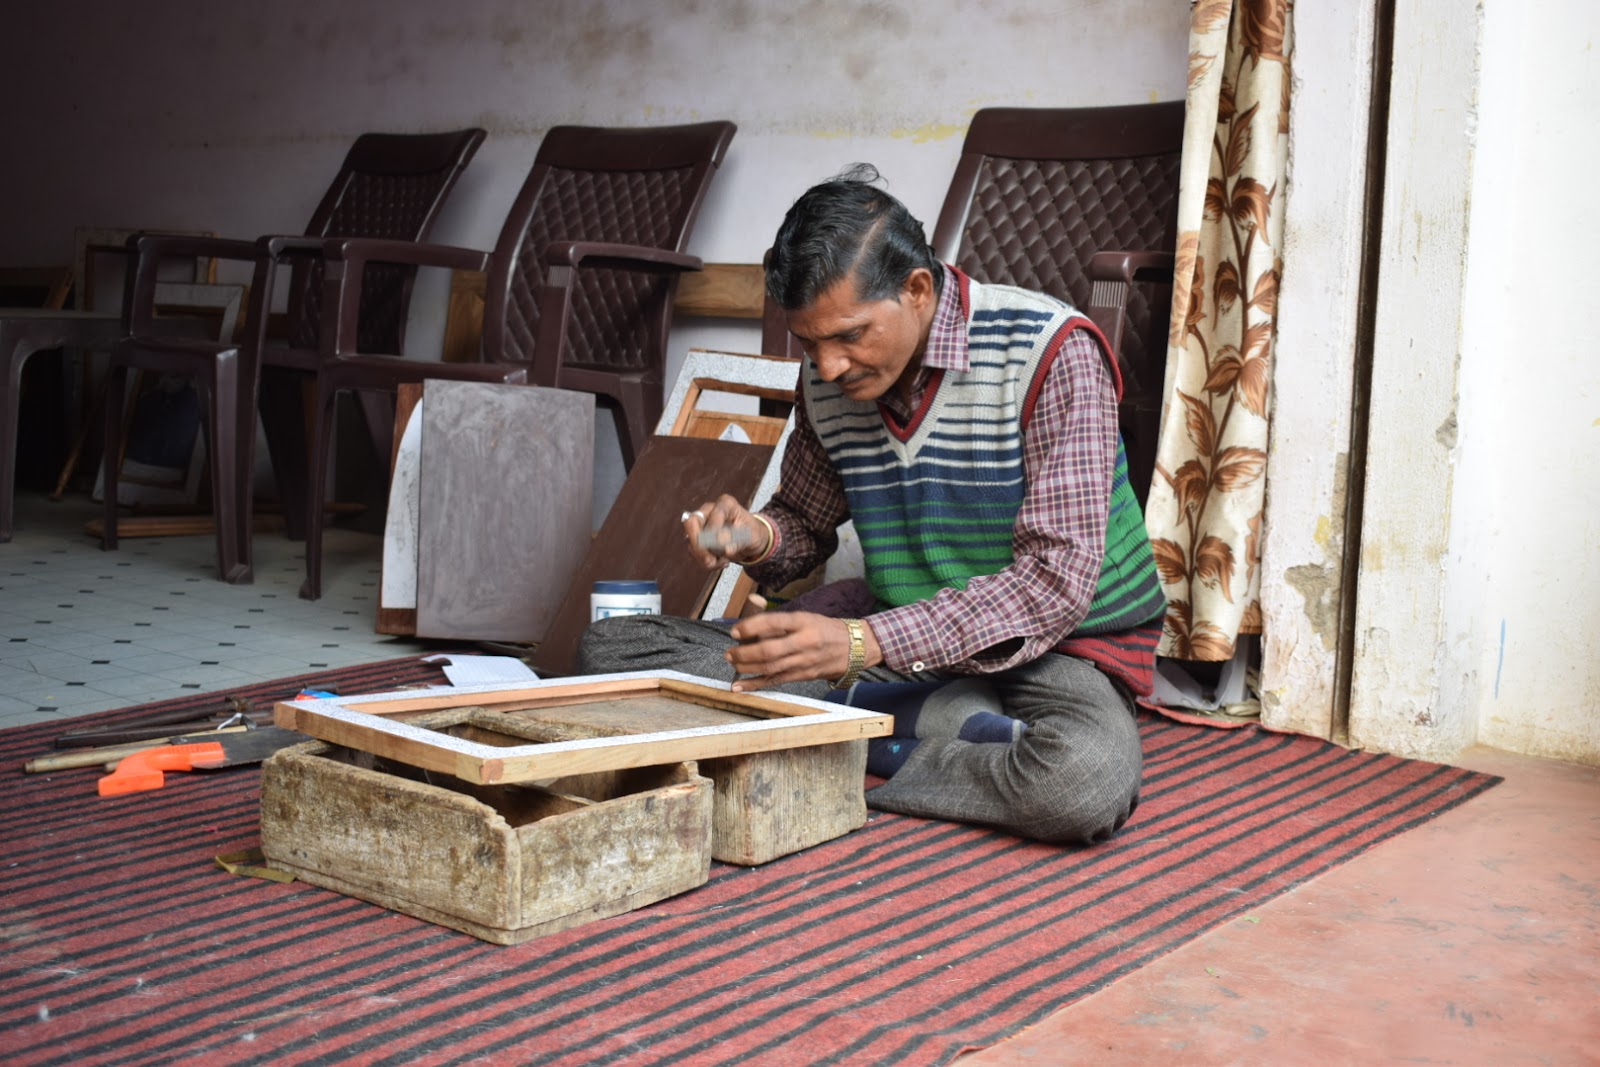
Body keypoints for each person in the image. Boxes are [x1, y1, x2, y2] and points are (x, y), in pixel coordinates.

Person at [577, 165, 1165, 845]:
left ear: (918, 289)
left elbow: (1051, 586)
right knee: (612, 649)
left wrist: (861, 642)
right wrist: (756, 538)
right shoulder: (830, 381)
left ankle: (864, 734)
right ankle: (937, 719)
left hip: (1059, 648)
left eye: (850, 335)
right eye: (809, 343)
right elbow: (803, 521)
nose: (828, 367)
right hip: (902, 639)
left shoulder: (1053, 352)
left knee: (1080, 780)